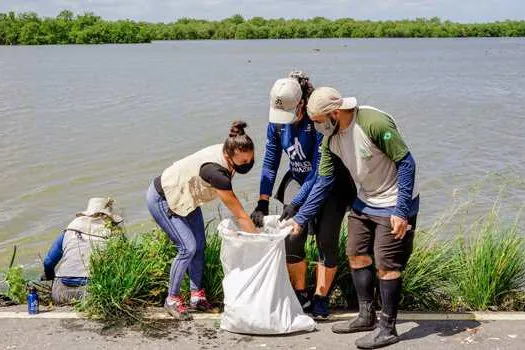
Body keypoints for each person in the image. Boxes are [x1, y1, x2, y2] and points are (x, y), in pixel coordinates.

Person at [292, 87, 419, 349]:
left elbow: (407, 163)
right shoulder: (331, 140)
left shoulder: (373, 123)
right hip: (366, 199)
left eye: (318, 122)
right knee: (356, 253)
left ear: (335, 113)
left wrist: (401, 210)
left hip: (395, 200)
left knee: (387, 264)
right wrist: (301, 217)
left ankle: (388, 328)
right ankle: (365, 315)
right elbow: (323, 182)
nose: (316, 128)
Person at [250, 72, 355, 320]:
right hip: (297, 181)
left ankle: (320, 297)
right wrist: (262, 201)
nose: (283, 121)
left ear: (301, 104)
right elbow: (270, 161)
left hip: (330, 184)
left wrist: (297, 204)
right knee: (292, 239)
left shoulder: (317, 122)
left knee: (326, 240)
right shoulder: (276, 124)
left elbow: (320, 171)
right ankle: (300, 294)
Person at [147, 121, 257, 321]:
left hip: (187, 198)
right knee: (187, 248)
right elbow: (240, 214)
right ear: (229, 155)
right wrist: (258, 242)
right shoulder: (216, 173)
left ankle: (197, 297)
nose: (247, 165)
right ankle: (171, 299)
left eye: (250, 160)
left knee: (199, 246)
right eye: (243, 162)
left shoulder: (228, 150)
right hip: (164, 198)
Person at [42, 197, 123, 305]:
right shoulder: (114, 232)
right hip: (92, 293)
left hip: (61, 293)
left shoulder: (72, 227)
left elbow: (48, 262)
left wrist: (50, 276)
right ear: (108, 215)